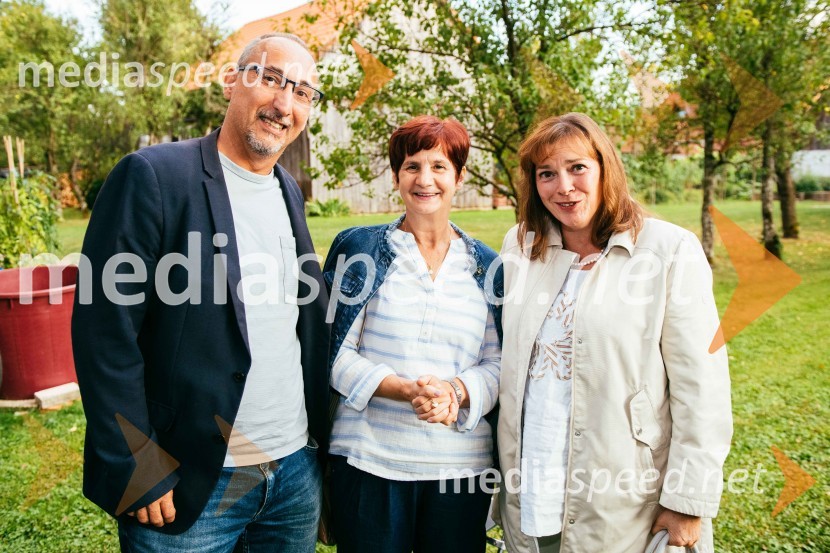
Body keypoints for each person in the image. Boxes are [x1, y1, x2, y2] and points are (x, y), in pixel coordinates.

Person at [72, 33, 330, 552]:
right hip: (189, 478)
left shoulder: (287, 192)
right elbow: (105, 331)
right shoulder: (154, 176)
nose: (284, 103)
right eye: (271, 79)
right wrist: (138, 464)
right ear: (233, 81)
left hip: (293, 473)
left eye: (302, 92)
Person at [495, 113, 732, 553]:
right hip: (531, 482)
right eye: (547, 174)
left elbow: (703, 390)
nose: (563, 186)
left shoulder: (669, 250)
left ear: (606, 168)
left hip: (623, 496)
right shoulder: (521, 246)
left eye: (577, 168)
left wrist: (687, 501)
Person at [322, 115, 503, 553]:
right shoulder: (358, 249)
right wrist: (405, 389)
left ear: (459, 176)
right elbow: (331, 354)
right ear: (397, 176)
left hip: (460, 469)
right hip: (368, 462)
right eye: (412, 166)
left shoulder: (487, 264)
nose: (425, 179)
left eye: (439, 166)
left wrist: (455, 391)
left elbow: (498, 364)